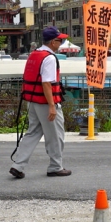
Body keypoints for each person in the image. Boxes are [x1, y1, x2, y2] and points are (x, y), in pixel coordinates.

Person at [9, 26, 71, 178]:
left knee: (32, 133)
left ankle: (18, 165)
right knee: (55, 135)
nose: (61, 43)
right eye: (60, 40)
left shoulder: (34, 54)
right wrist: (52, 106)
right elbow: (46, 83)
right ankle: (55, 167)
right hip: (45, 102)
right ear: (52, 42)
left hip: (32, 100)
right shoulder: (49, 58)